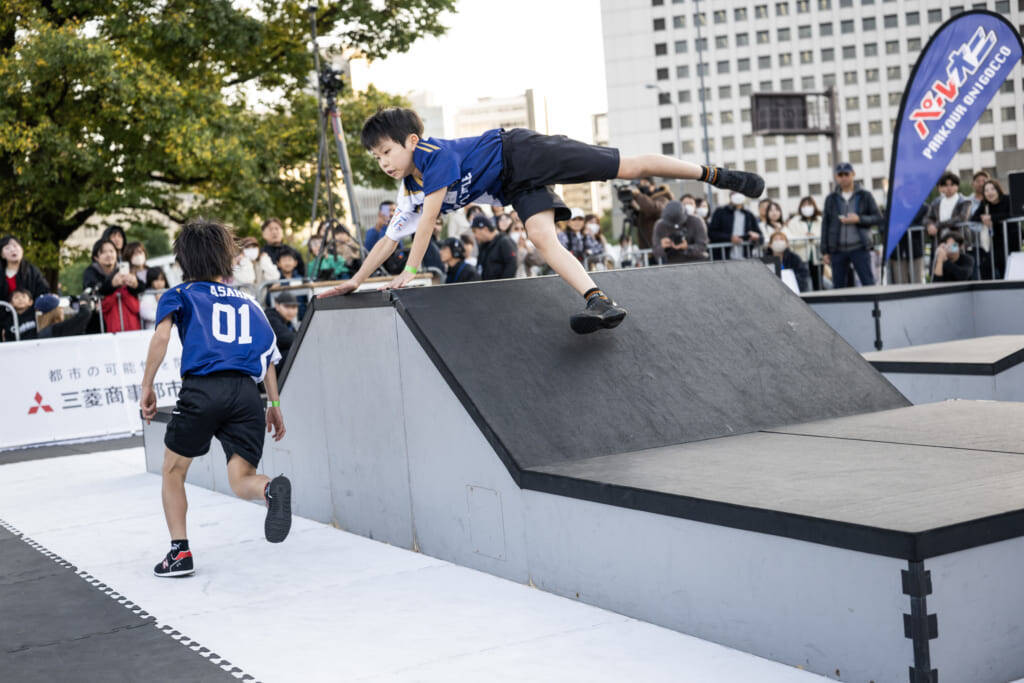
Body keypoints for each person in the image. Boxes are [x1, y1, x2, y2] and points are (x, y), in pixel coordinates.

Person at [317, 107, 763, 334]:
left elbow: (429, 222)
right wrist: (357, 279)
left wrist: (411, 273)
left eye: (388, 152)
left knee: (629, 168)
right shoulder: (409, 190)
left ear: (412, 141)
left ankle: (717, 174)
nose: (383, 163)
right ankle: (599, 300)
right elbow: (389, 241)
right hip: (515, 187)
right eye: (375, 159)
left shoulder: (433, 158)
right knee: (541, 239)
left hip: (522, 151)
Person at [139, 218, 290, 578]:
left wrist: (147, 385)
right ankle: (269, 490)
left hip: (203, 389)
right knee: (241, 479)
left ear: (184, 260)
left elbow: (161, 338)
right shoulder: (250, 302)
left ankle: (180, 553)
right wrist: (275, 405)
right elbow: (268, 355)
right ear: (227, 259)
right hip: (246, 394)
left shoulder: (179, 294)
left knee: (173, 470)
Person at [821, 162, 881, 288]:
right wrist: (825, 251)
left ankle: (873, 307)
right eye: (840, 175)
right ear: (836, 177)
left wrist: (859, 219)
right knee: (839, 286)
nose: (843, 177)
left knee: (868, 283)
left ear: (853, 174)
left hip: (860, 247)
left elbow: (878, 218)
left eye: (846, 174)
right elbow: (825, 225)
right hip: (837, 249)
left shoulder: (865, 195)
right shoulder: (831, 199)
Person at [82, 237, 145, 332]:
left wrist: (135, 284)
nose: (109, 255)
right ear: (96, 257)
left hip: (128, 325)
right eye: (103, 252)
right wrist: (111, 284)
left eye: (112, 251)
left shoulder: (123, 269)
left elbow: (142, 287)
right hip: (98, 326)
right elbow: (93, 289)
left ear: (117, 254)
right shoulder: (90, 272)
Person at [1, 235, 49, 334]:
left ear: (22, 250)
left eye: (15, 246)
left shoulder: (32, 271)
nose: (12, 250)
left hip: (30, 320)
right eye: (7, 248)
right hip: (4, 321)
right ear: (2, 254)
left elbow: (43, 291)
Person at [972, 178, 1016, 279]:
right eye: (986, 190)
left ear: (998, 190)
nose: (989, 193)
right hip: (996, 241)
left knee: (1008, 267)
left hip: (1011, 238)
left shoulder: (1007, 199)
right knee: (987, 266)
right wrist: (983, 218)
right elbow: (973, 217)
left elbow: (1011, 214)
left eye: (992, 189)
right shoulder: (985, 204)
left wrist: (991, 217)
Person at [924, 172, 972, 247]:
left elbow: (962, 218)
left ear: (957, 186)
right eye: (946, 185)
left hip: (957, 239)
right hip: (939, 240)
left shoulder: (965, 201)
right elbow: (927, 217)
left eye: (952, 185)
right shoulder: (936, 202)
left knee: (954, 257)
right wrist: (930, 225)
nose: (949, 188)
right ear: (942, 187)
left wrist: (937, 225)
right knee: (940, 258)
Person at [708, 192, 762, 260]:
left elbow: (759, 235)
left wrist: (756, 236)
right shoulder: (720, 212)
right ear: (730, 196)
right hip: (723, 258)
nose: (738, 195)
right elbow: (712, 233)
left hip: (746, 257)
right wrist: (729, 238)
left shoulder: (749, 214)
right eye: (735, 192)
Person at [786, 197, 823, 289]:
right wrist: (805, 238)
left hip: (817, 257)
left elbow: (824, 237)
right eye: (804, 205)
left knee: (818, 282)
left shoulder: (820, 220)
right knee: (804, 283)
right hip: (801, 257)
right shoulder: (794, 221)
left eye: (809, 205)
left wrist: (813, 238)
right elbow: (790, 239)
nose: (807, 207)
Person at [471, 214, 518, 280]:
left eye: (475, 231)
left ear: (485, 229)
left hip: (500, 288)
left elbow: (512, 265)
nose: (475, 235)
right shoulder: (484, 245)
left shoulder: (504, 241)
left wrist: (502, 286)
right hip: (486, 287)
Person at [265, 290, 300, 366]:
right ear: (277, 305)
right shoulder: (271, 317)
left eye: (294, 307)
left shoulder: (286, 321)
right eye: (287, 306)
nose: (291, 311)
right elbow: (289, 339)